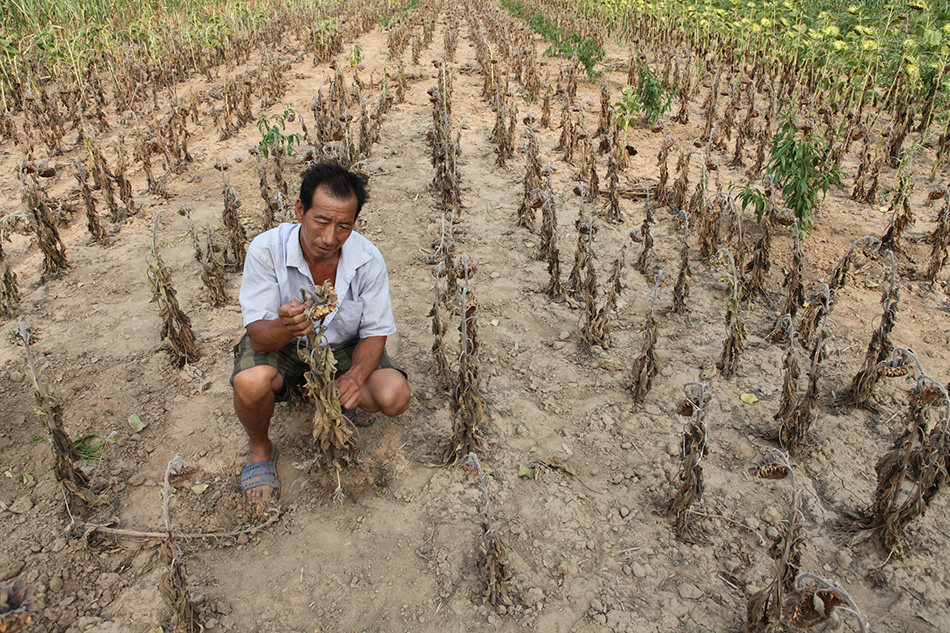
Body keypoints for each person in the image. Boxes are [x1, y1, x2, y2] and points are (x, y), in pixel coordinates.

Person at [231, 162, 410, 501]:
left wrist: (355, 376)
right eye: (321, 221)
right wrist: (288, 326)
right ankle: (260, 449)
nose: (330, 238)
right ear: (300, 210)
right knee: (250, 382)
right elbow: (258, 335)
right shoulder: (267, 250)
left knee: (394, 395)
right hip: (283, 346)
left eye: (344, 226)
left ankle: (344, 397)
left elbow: (374, 333)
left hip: (342, 347)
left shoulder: (367, 260)